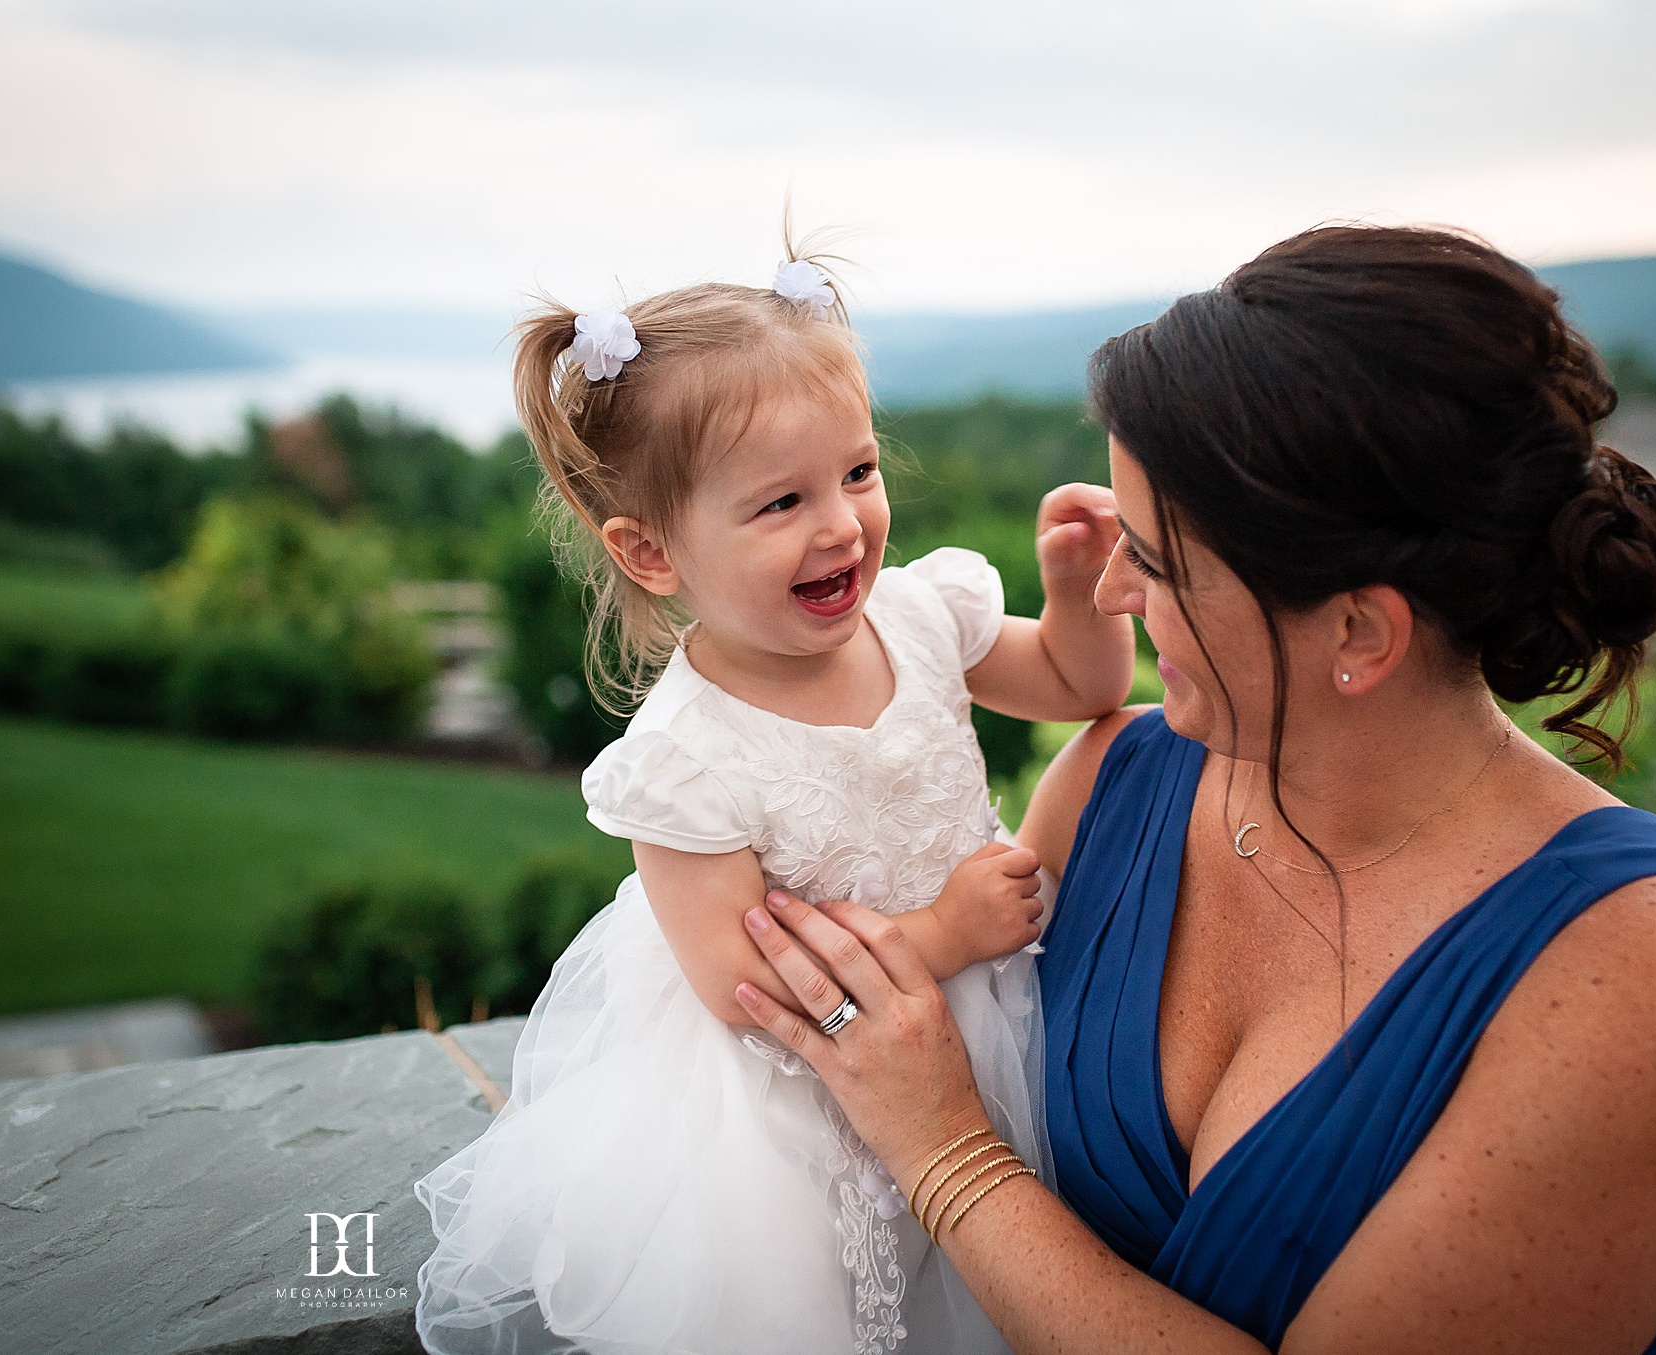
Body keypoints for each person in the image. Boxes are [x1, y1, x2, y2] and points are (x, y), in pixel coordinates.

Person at [732, 226, 1656, 1354]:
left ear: (1357, 629)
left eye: (1160, 560)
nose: (1116, 591)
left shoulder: (1644, 962)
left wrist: (945, 1152)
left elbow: (953, 1123)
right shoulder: (1109, 785)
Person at [412, 251, 1134, 1354]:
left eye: (856, 471)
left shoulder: (919, 614)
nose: (841, 524)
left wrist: (1079, 591)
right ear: (651, 550)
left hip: (992, 1023)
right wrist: (942, 931)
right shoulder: (685, 758)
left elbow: (1081, 689)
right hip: (811, 1104)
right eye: (781, 501)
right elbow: (744, 988)